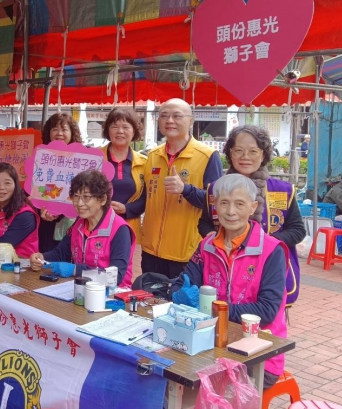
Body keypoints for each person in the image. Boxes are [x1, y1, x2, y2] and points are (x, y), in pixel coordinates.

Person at [171, 174, 288, 388]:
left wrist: (214, 310)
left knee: (204, 388)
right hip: (211, 343)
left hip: (258, 354)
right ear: (215, 206)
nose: (231, 211)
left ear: (253, 207)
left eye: (239, 204)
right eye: (224, 203)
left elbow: (267, 310)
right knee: (167, 373)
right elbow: (183, 283)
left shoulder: (271, 250)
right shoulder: (207, 246)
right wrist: (179, 295)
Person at [199, 125, 305, 304]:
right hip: (223, 269)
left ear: (263, 155)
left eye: (253, 151)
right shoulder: (215, 189)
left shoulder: (283, 190)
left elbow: (297, 230)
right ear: (230, 153)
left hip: (269, 269)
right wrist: (213, 238)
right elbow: (204, 223)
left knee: (266, 314)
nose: (245, 157)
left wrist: (268, 246)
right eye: (238, 150)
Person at [141, 99, 223, 279]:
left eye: (177, 116)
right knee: (148, 296)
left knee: (181, 297)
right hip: (151, 250)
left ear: (191, 120)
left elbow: (216, 202)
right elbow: (146, 197)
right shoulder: (153, 156)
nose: (169, 120)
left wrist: (185, 189)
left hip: (186, 253)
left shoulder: (208, 156)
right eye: (164, 116)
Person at [30, 170, 135, 287]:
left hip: (113, 293)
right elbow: (61, 253)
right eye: (76, 196)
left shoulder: (120, 229)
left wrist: (76, 270)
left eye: (86, 197)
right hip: (82, 288)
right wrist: (41, 258)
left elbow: (115, 276)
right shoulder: (79, 224)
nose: (79, 203)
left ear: (103, 199)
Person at [100, 108, 147, 244]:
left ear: (134, 131)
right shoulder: (94, 158)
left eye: (126, 127)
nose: (120, 131)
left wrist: (127, 209)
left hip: (129, 229)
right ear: (108, 130)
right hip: (96, 226)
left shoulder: (144, 163)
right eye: (114, 127)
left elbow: (148, 198)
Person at [38, 112, 83, 251]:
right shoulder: (41, 157)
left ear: (72, 133)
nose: (59, 133)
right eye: (55, 129)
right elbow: (33, 190)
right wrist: (41, 207)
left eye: (64, 129)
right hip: (47, 223)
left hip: (75, 221)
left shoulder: (82, 159)